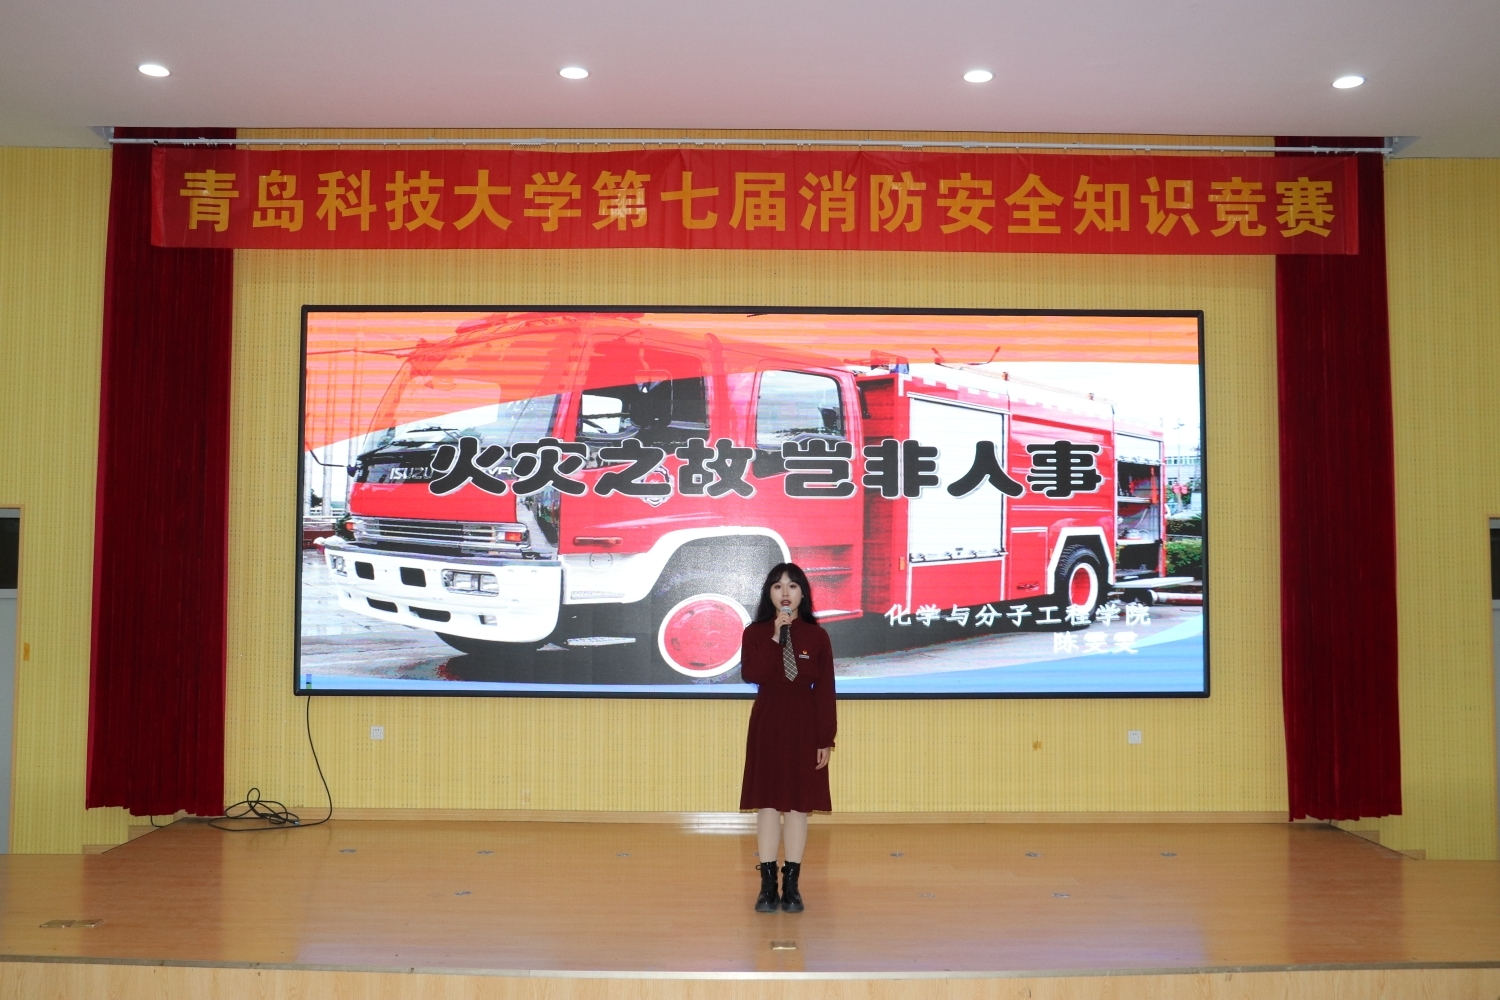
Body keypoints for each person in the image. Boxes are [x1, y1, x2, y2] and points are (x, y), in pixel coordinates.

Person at [739, 562, 837, 913]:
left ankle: (791, 885)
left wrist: (825, 738)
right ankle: (767, 886)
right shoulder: (755, 633)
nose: (785, 592)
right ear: (769, 593)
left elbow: (825, 690)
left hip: (804, 724)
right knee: (767, 803)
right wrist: (775, 637)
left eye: (793, 586)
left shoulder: (817, 636)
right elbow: (753, 673)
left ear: (802, 594)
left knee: (798, 805)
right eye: (778, 586)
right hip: (768, 721)